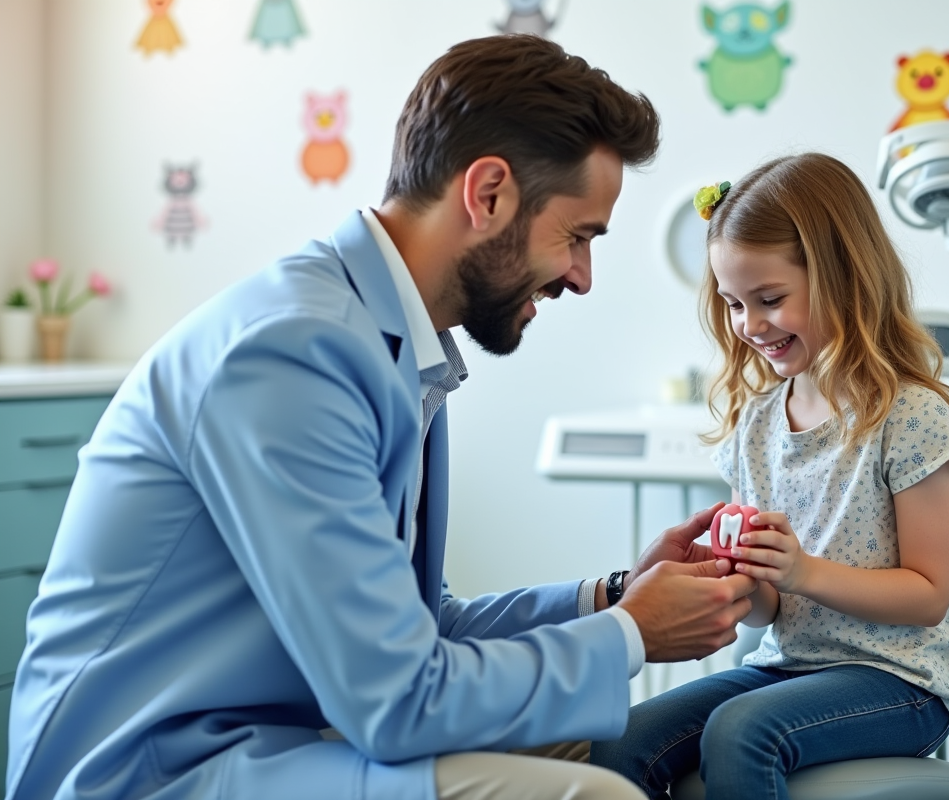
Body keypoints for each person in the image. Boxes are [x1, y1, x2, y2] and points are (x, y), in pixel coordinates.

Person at [4, 35, 758, 800]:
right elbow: (396, 700)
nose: (582, 276)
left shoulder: (383, 341)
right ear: (488, 193)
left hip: (274, 735)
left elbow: (424, 629)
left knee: (596, 742)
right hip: (151, 770)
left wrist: (615, 595)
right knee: (597, 794)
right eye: (577, 236)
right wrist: (634, 633)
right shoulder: (292, 355)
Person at [589, 152, 949, 799]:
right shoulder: (757, 425)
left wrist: (802, 572)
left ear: (843, 278)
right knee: (620, 741)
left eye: (769, 299)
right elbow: (768, 611)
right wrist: (741, 579)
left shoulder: (910, 417)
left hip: (903, 680)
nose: (749, 325)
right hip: (789, 667)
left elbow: (928, 595)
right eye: (734, 304)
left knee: (741, 732)